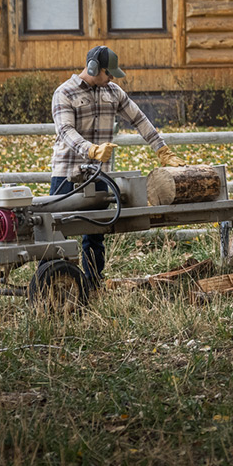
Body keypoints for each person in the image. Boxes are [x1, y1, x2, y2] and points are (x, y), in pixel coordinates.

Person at [51, 45, 185, 287]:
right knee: (57, 230)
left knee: (95, 233)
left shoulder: (112, 92)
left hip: (99, 175)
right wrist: (90, 149)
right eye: (108, 73)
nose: (111, 77)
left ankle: (93, 285)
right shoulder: (64, 93)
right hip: (67, 175)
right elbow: (65, 131)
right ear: (93, 68)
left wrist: (162, 150)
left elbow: (139, 119)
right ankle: (53, 283)